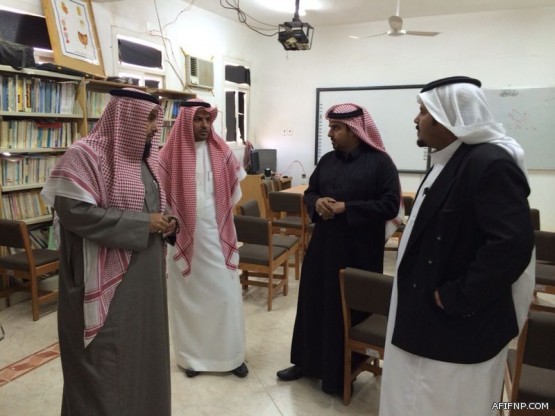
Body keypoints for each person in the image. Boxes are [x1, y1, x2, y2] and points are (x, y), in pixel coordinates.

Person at [379, 76, 535, 416]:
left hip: (455, 328)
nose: (416, 119)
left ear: (445, 118)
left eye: (423, 111)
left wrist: (458, 296)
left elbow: (512, 244)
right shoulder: (450, 160)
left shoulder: (490, 163)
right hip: (426, 322)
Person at [41, 88, 177, 415]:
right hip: (102, 280)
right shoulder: (85, 156)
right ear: (124, 116)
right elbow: (74, 213)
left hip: (145, 281)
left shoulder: (147, 161)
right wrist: (143, 223)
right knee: (106, 362)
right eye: (147, 119)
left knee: (142, 354)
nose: (153, 127)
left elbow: (152, 206)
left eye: (155, 119)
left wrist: (168, 222)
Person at [276, 103, 402, 395]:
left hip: (359, 253)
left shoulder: (381, 163)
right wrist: (317, 202)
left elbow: (389, 205)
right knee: (313, 302)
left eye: (336, 128)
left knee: (346, 311)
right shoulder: (328, 160)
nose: (330, 133)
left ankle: (342, 373)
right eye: (330, 127)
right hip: (323, 246)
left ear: (355, 130)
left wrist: (348, 208)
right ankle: (305, 363)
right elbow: (311, 192)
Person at [158, 98, 248, 379]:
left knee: (225, 294)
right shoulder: (167, 156)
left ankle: (232, 356)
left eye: (207, 119)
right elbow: (161, 199)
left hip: (218, 236)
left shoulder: (222, 151)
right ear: (186, 121)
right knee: (189, 300)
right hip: (184, 239)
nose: (204, 125)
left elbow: (234, 192)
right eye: (198, 119)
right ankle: (193, 358)